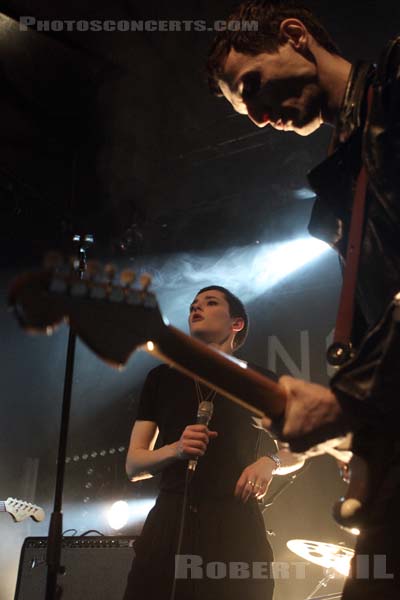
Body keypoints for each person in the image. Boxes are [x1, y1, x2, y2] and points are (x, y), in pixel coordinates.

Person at [206, 2, 400, 598]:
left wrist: (354, 401)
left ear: (294, 37)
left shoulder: (393, 101)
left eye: (252, 85)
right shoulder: (349, 168)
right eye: (245, 109)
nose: (259, 119)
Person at [123, 285, 290, 600]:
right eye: (192, 305)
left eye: (210, 303)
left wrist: (271, 461)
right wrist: (176, 449)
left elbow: (301, 450)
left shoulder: (258, 380)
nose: (196, 309)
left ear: (236, 324)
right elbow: (133, 464)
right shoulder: (161, 378)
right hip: (170, 522)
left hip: (234, 524)